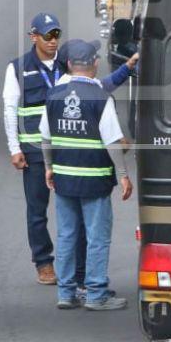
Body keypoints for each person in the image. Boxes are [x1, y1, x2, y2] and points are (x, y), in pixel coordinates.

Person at [3, 12, 135, 285]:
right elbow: (9, 110)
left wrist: (128, 68)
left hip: (65, 152)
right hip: (34, 151)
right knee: (37, 211)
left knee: (74, 216)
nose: (53, 41)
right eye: (47, 35)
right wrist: (14, 147)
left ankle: (77, 270)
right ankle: (43, 263)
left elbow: (96, 87)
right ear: (34, 37)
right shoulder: (17, 69)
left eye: (56, 35)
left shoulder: (64, 66)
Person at [40, 39, 133, 311]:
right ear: (95, 64)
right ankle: (95, 294)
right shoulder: (101, 98)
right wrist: (124, 175)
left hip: (64, 178)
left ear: (69, 65)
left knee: (67, 235)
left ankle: (66, 293)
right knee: (97, 237)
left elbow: (45, 137)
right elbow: (113, 142)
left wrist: (49, 167)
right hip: (95, 179)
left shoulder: (54, 95)